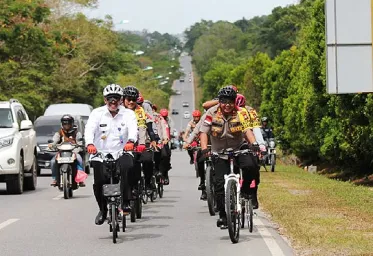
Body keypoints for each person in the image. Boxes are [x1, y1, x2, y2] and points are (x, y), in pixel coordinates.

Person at [199, 86, 260, 228]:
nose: (227, 105)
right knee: (219, 185)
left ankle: (245, 191)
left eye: (230, 101)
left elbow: (247, 130)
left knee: (251, 166)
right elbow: (203, 132)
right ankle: (223, 216)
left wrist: (254, 143)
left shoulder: (241, 113)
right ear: (219, 101)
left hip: (238, 149)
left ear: (235, 102)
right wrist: (203, 149)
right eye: (224, 101)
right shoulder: (211, 113)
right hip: (219, 152)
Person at [85, 84, 138, 225]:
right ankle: (102, 210)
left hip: (122, 151)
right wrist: (90, 144)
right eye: (110, 98)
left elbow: (133, 129)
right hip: (100, 153)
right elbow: (89, 129)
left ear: (121, 100)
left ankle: (126, 201)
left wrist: (131, 141)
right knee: (98, 182)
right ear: (105, 100)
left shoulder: (128, 114)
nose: (113, 101)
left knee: (128, 167)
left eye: (116, 98)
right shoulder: (97, 113)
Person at [123, 86, 157, 194]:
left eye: (134, 100)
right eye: (129, 99)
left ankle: (147, 183)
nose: (131, 102)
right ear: (123, 99)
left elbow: (142, 127)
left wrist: (141, 144)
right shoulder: (118, 110)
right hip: (121, 143)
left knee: (147, 160)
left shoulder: (139, 110)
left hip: (137, 142)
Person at [49, 114, 85, 187]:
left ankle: (80, 179)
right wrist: (52, 145)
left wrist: (79, 147)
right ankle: (55, 178)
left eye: (68, 124)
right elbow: (54, 141)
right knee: (53, 162)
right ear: (62, 124)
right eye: (65, 124)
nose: (67, 125)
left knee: (79, 160)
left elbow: (80, 142)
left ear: (72, 124)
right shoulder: (59, 133)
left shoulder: (77, 133)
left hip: (74, 152)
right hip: (61, 153)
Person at [159, 109, 173, 185]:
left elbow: (170, 129)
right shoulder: (157, 119)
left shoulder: (169, 121)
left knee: (166, 155)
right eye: (162, 116)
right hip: (157, 141)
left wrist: (168, 138)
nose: (164, 118)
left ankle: (165, 174)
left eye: (165, 116)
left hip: (166, 140)